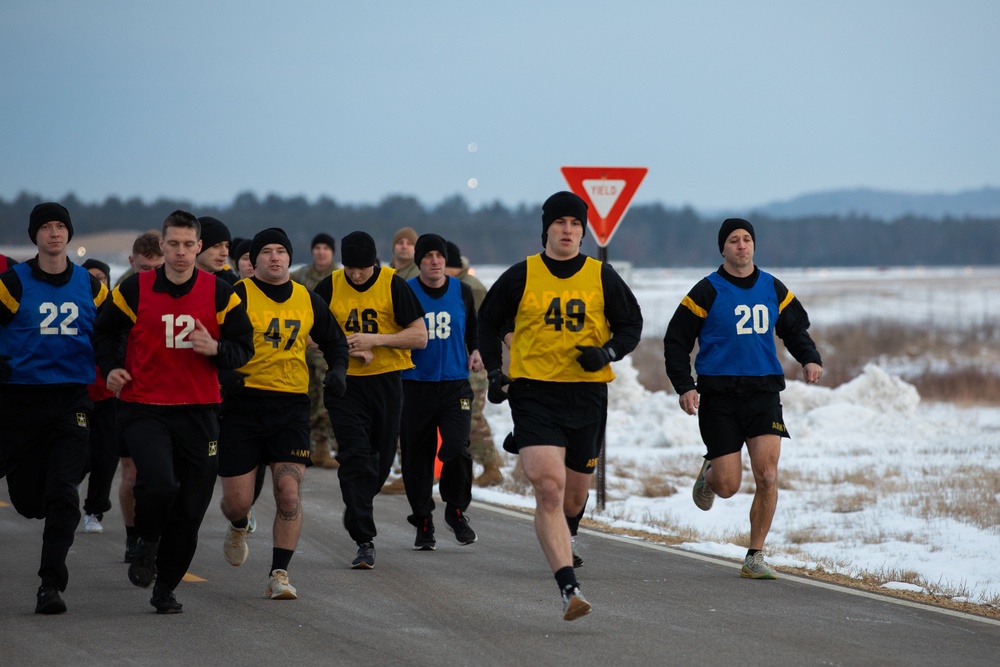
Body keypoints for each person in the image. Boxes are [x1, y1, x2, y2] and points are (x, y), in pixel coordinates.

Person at [478, 191, 642, 621]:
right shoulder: (521, 275)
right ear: (547, 229)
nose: (568, 231)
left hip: (587, 395)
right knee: (548, 488)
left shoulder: (601, 276)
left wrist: (606, 353)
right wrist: (496, 373)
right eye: (560, 223)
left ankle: (566, 535)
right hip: (534, 393)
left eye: (575, 225)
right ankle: (569, 587)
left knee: (573, 497)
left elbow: (632, 325)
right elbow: (488, 322)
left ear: (583, 233)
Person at [93, 210, 254, 614]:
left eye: (188, 244)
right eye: (173, 244)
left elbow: (243, 348)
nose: (181, 253)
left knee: (191, 506)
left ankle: (165, 586)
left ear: (199, 247)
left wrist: (216, 350)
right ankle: (146, 540)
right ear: (161, 245)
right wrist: (112, 366)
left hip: (200, 411)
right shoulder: (134, 289)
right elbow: (104, 330)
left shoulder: (221, 294)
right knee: (160, 482)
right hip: (144, 407)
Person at [663, 217, 823, 580]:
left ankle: (755, 555)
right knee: (729, 485)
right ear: (722, 248)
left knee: (767, 474)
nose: (741, 245)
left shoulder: (772, 287)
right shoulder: (706, 291)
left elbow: (795, 328)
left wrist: (810, 357)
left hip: (764, 392)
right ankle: (710, 474)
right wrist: (684, 385)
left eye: (747, 239)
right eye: (733, 240)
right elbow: (676, 340)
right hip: (718, 395)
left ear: (754, 245)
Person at [217, 228, 348, 599]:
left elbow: (335, 341)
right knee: (236, 502)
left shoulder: (307, 298)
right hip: (243, 405)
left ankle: (280, 573)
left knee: (288, 494)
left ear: (290, 258)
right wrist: (225, 375)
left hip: (290, 405)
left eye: (281, 252)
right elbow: (211, 341)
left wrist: (338, 369)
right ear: (253, 260)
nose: (275, 257)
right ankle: (239, 524)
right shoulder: (236, 294)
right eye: (267, 252)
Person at [0, 202, 109, 614]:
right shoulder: (13, 283)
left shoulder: (92, 286)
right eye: (45, 227)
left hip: (71, 400)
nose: (54, 233)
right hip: (19, 400)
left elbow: (112, 333)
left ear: (69, 233)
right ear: (35, 235)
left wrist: (113, 365)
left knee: (64, 494)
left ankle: (51, 584)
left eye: (60, 226)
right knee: (31, 502)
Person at [312, 231, 427, 569]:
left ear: (374, 262)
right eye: (350, 267)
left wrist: (375, 340)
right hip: (345, 385)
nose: (356, 274)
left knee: (379, 461)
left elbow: (420, 336)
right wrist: (344, 347)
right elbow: (306, 333)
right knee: (355, 456)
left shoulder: (393, 284)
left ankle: (357, 505)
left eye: (362, 268)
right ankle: (365, 539)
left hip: (386, 384)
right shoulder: (330, 285)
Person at [401, 235, 480, 551]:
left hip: (455, 384)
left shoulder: (463, 291)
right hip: (414, 385)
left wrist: (475, 350)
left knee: (457, 448)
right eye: (428, 256)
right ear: (418, 261)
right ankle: (423, 521)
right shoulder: (406, 292)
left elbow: (472, 327)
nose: (435, 261)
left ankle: (456, 510)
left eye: (440, 256)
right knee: (416, 459)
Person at [114, 232, 166, 562]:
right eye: (143, 268)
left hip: (167, 394)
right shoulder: (122, 292)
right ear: (132, 262)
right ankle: (133, 536)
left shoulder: (173, 288)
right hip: (130, 392)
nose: (149, 276)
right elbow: (106, 336)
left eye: (155, 269)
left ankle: (159, 533)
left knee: (165, 476)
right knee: (131, 474)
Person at [444, 240, 504, 487]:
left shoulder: (471, 287)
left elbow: (487, 325)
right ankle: (471, 467)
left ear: (452, 266)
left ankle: (491, 467)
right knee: (462, 416)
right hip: (459, 361)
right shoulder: (457, 284)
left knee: (471, 415)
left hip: (474, 363)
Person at [290, 233, 340, 470]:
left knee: (324, 396)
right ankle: (304, 446)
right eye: (317, 247)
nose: (321, 252)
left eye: (326, 248)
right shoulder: (300, 276)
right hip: (300, 345)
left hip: (325, 348)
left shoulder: (340, 276)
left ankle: (322, 446)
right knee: (304, 395)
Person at [79, 259, 118, 535]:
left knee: (106, 458)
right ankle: (66, 488)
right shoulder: (74, 308)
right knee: (81, 456)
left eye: (102, 278)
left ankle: (94, 511)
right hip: (78, 393)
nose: (98, 282)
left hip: (108, 396)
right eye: (91, 278)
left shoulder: (116, 309)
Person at [195, 215, 238, 285]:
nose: (225, 253)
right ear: (198, 246)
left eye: (227, 246)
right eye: (216, 246)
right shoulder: (176, 281)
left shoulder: (233, 284)